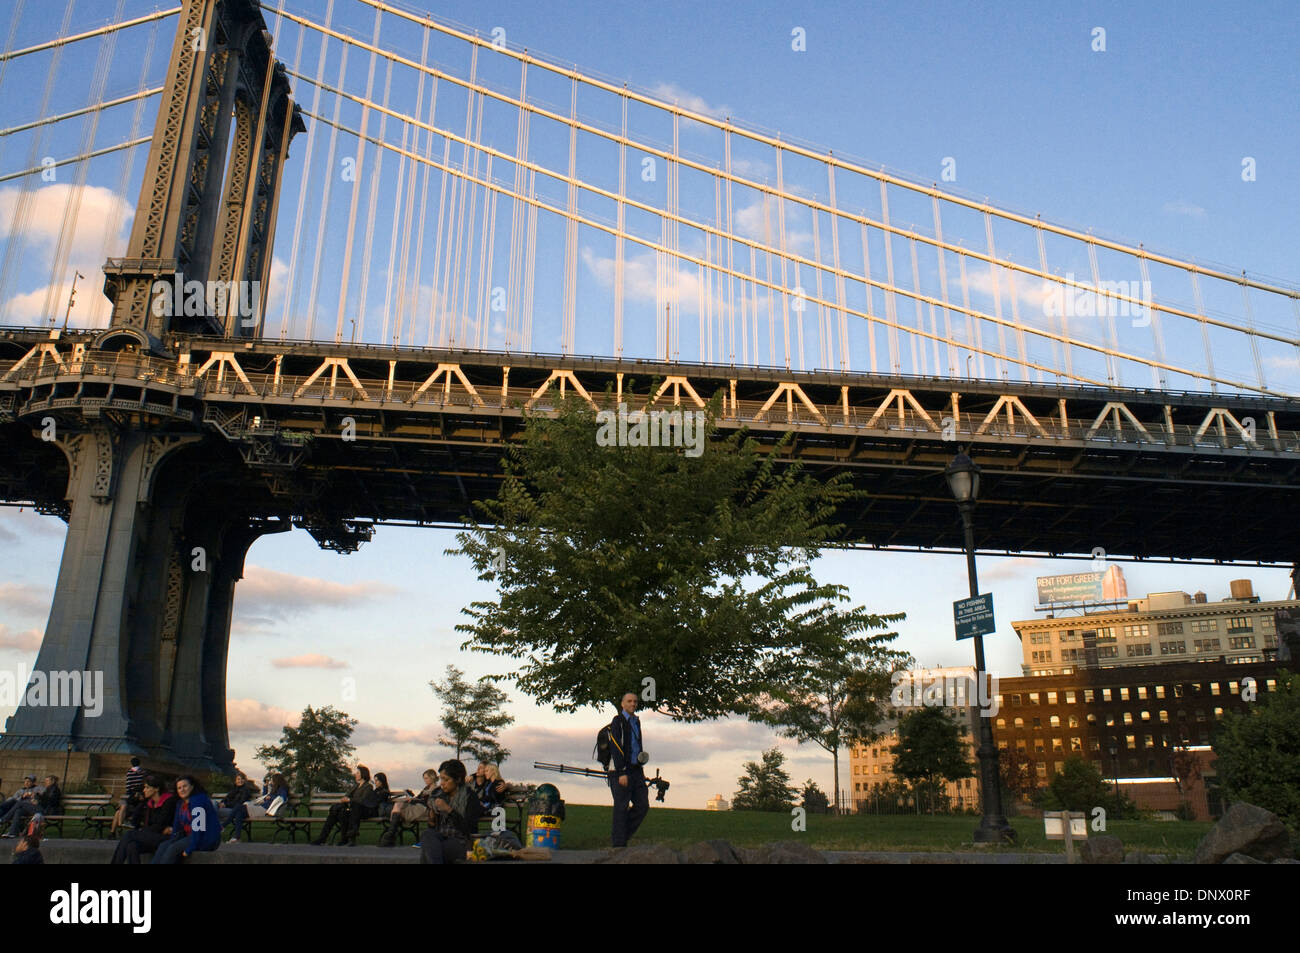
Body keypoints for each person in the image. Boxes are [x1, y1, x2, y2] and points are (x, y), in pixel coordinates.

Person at [607, 691, 650, 848]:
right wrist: (621, 771)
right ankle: (619, 845)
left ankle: (621, 837)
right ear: (622, 704)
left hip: (636, 770)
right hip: (621, 771)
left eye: (635, 702)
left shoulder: (636, 722)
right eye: (630, 701)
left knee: (642, 805)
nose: (633, 704)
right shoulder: (617, 721)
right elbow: (616, 747)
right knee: (621, 807)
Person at [420, 760, 480, 864]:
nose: (442, 783)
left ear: (458, 779)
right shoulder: (438, 794)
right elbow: (433, 827)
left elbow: (469, 828)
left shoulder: (470, 796)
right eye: (441, 778)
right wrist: (432, 819)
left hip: (462, 841)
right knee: (427, 834)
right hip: (441, 837)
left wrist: (449, 810)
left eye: (446, 779)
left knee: (430, 850)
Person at [151, 776, 220, 864]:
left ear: (192, 786)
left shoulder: (198, 800)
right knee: (163, 845)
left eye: (185, 786)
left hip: (206, 837)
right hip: (191, 836)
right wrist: (172, 839)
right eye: (179, 788)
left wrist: (190, 848)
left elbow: (198, 828)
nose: (182, 790)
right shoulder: (180, 803)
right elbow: (177, 827)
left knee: (173, 848)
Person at [111, 776, 174, 864]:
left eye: (147, 787)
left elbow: (160, 826)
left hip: (165, 838)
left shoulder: (169, 802)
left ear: (156, 789)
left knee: (130, 834)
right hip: (152, 836)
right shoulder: (149, 803)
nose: (144, 790)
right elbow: (136, 820)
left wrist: (141, 832)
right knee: (131, 846)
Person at [311, 765, 378, 846]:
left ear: (363, 774)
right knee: (337, 813)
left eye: (357, 773)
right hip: (350, 809)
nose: (355, 774)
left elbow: (363, 800)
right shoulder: (355, 786)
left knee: (342, 813)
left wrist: (349, 800)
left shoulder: (368, 786)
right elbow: (347, 796)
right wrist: (345, 798)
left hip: (360, 811)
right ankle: (322, 838)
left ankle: (344, 839)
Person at [379, 769, 436, 847]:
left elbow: (428, 802)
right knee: (398, 804)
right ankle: (391, 834)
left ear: (432, 778)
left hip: (424, 809)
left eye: (426, 778)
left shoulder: (435, 789)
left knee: (397, 807)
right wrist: (412, 798)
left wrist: (414, 799)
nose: (425, 780)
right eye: (424, 778)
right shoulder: (426, 788)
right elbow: (419, 798)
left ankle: (391, 834)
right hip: (418, 805)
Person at [227, 772, 289, 843]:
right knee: (239, 813)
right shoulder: (275, 789)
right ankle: (237, 838)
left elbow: (282, 799)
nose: (271, 782)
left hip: (265, 810)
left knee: (239, 807)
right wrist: (265, 787)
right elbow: (264, 797)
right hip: (261, 808)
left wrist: (271, 797)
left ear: (277, 781)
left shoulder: (283, 789)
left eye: (272, 780)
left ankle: (224, 825)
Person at [110, 757, 146, 835]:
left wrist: (130, 792)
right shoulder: (143, 772)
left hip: (132, 795)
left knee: (118, 811)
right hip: (138, 795)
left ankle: (114, 830)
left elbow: (128, 785)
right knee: (120, 810)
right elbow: (143, 783)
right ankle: (119, 825)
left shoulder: (129, 772)